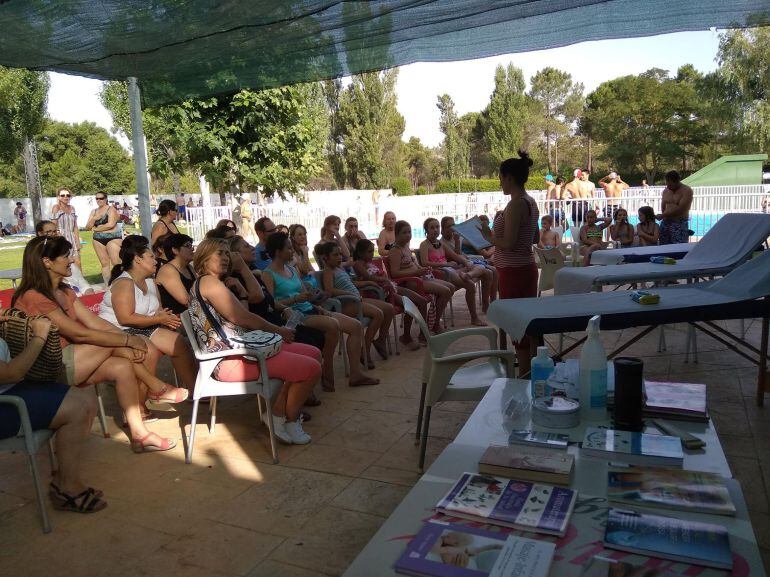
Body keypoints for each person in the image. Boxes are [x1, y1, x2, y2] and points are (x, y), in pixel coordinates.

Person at [12, 236, 177, 452]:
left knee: (123, 366)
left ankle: (140, 434)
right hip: (48, 366)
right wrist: (127, 339)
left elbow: (94, 322)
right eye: (66, 256)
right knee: (108, 343)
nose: (72, 260)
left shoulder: (66, 291)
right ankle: (155, 386)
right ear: (46, 262)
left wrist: (129, 340)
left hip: (73, 358)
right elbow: (79, 334)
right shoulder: (33, 296)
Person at [189, 238, 321, 444]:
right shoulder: (209, 283)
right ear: (204, 258)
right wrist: (279, 330)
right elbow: (244, 318)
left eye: (226, 253)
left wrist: (241, 291)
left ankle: (276, 414)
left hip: (242, 350)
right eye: (219, 254)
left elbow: (246, 310)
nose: (225, 258)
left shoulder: (215, 282)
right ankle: (288, 419)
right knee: (311, 367)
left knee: (313, 353)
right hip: (228, 360)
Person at [0, 315, 107, 513]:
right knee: (78, 409)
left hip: (11, 391)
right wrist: (39, 337)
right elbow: (10, 374)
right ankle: (67, 488)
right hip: (7, 401)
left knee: (84, 398)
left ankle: (64, 480)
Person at [262, 233, 379, 390]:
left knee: (355, 326)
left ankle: (355, 374)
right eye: (289, 248)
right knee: (332, 325)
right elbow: (272, 304)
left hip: (310, 309)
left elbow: (305, 294)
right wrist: (296, 300)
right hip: (295, 316)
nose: (292, 251)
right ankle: (327, 369)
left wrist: (317, 303)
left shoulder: (291, 269)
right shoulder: (268, 274)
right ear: (278, 251)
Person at [98, 235, 197, 399]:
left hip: (142, 327)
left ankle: (196, 391)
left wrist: (166, 318)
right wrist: (159, 319)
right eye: (151, 257)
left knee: (178, 342)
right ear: (137, 260)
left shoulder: (150, 281)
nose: (156, 261)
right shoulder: (124, 283)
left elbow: (157, 310)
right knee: (147, 350)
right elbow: (125, 318)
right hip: (118, 330)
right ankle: (139, 404)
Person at [479, 151, 540, 375]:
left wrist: (488, 235)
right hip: (523, 267)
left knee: (518, 326)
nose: (500, 182)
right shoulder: (530, 202)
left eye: (501, 178)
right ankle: (530, 372)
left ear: (510, 178)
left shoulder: (516, 205)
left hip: (514, 271)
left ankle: (523, 376)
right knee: (526, 324)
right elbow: (532, 237)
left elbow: (508, 243)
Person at [317, 241, 394, 366]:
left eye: (340, 254)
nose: (339, 257)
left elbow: (352, 284)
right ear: (326, 258)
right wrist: (351, 294)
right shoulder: (328, 271)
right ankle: (365, 350)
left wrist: (368, 283)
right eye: (335, 255)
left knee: (389, 308)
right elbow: (329, 290)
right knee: (378, 314)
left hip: (356, 300)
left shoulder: (339, 268)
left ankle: (380, 340)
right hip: (346, 304)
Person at [352, 238, 427, 351]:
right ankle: (404, 337)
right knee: (411, 303)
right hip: (379, 294)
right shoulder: (358, 264)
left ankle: (421, 333)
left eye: (373, 251)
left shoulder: (370, 263)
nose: (372, 254)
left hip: (390, 288)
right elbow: (368, 277)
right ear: (360, 253)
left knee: (421, 300)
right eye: (369, 251)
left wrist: (386, 280)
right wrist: (384, 280)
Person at [389, 220, 452, 335]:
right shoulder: (395, 251)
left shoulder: (406, 248)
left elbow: (415, 265)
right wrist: (417, 272)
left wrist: (422, 269)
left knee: (450, 288)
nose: (408, 235)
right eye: (404, 232)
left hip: (419, 278)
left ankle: (433, 323)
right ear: (397, 234)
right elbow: (394, 273)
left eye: (409, 232)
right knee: (446, 291)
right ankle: (434, 325)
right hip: (411, 282)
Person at [420, 218, 482, 325]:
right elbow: (425, 263)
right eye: (432, 227)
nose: (435, 230)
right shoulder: (424, 245)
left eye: (437, 227)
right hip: (439, 274)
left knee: (479, 269)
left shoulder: (440, 243)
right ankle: (474, 318)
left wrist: (466, 262)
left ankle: (474, 317)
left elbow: (455, 256)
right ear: (426, 230)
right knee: (470, 284)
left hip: (449, 271)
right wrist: (446, 264)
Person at [440, 216, 496, 314]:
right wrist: (458, 242)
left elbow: (477, 243)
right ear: (443, 229)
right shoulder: (443, 243)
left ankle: (491, 304)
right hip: (459, 267)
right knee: (489, 272)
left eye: (453, 225)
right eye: (448, 226)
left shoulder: (457, 237)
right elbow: (456, 257)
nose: (452, 228)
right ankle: (487, 305)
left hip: (467, 263)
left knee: (492, 271)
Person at [85, 192, 123, 284]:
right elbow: (88, 227)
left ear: (106, 199)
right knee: (104, 264)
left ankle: (121, 284)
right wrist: (94, 219)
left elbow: (110, 224)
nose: (99, 200)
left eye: (101, 198)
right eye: (97, 198)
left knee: (116, 263)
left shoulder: (111, 209)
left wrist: (96, 228)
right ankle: (108, 285)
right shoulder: (94, 211)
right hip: (98, 239)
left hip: (113, 238)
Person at [156, 234, 196, 315]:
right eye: (187, 246)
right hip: (177, 320)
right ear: (175, 250)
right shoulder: (168, 270)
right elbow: (186, 301)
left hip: (192, 315)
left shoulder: (189, 267)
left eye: (191, 245)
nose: (192, 248)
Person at [656, 170, 693, 245]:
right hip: (666, 223)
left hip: (679, 223)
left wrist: (663, 215)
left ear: (677, 181)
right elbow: (663, 205)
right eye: (667, 184)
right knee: (663, 246)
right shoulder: (666, 191)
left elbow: (681, 209)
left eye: (670, 184)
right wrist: (663, 216)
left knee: (679, 246)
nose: (668, 186)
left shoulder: (686, 191)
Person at [51, 187, 82, 269]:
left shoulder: (72, 208)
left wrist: (78, 241)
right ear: (58, 197)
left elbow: (75, 226)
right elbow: (53, 226)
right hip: (61, 237)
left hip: (72, 237)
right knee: (65, 264)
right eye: (63, 195)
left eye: (68, 195)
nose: (65, 197)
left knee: (78, 263)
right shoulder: (56, 208)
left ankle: (79, 281)